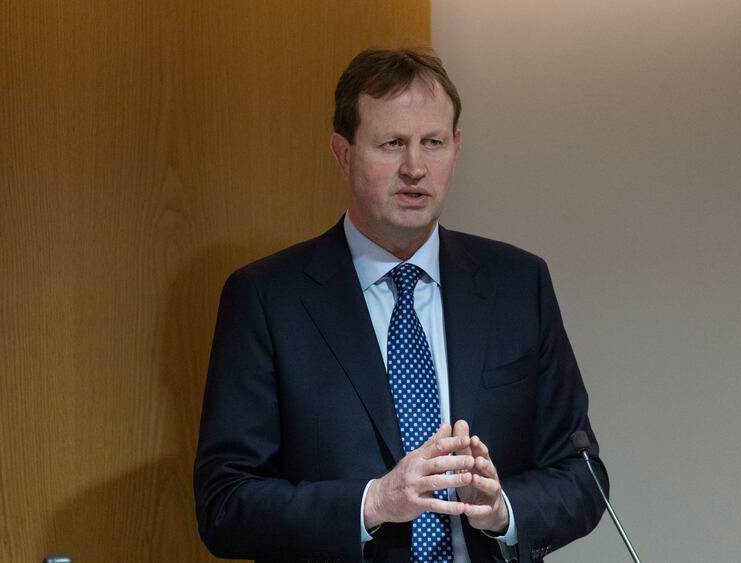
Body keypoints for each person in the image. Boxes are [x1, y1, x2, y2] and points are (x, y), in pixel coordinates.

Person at [194, 48, 607, 563]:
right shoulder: (266, 299)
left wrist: (503, 508)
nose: (415, 167)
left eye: (433, 142)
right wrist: (372, 503)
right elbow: (225, 502)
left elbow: (582, 476)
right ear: (343, 154)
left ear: (456, 149)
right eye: (392, 144)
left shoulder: (519, 285)